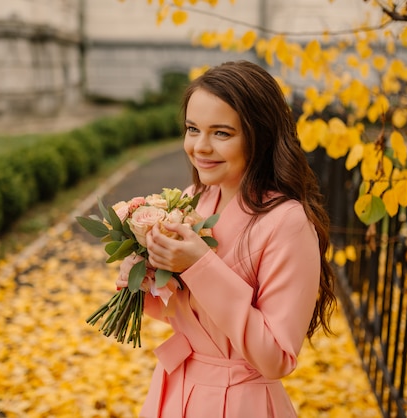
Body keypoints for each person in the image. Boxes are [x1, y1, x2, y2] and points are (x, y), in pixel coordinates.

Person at [116, 60, 337, 417]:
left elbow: (277, 358)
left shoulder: (288, 223)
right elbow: (191, 316)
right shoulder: (196, 197)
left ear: (259, 136)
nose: (200, 146)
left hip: (237, 402)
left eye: (221, 133)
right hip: (175, 390)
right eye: (192, 129)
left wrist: (199, 266)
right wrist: (143, 283)